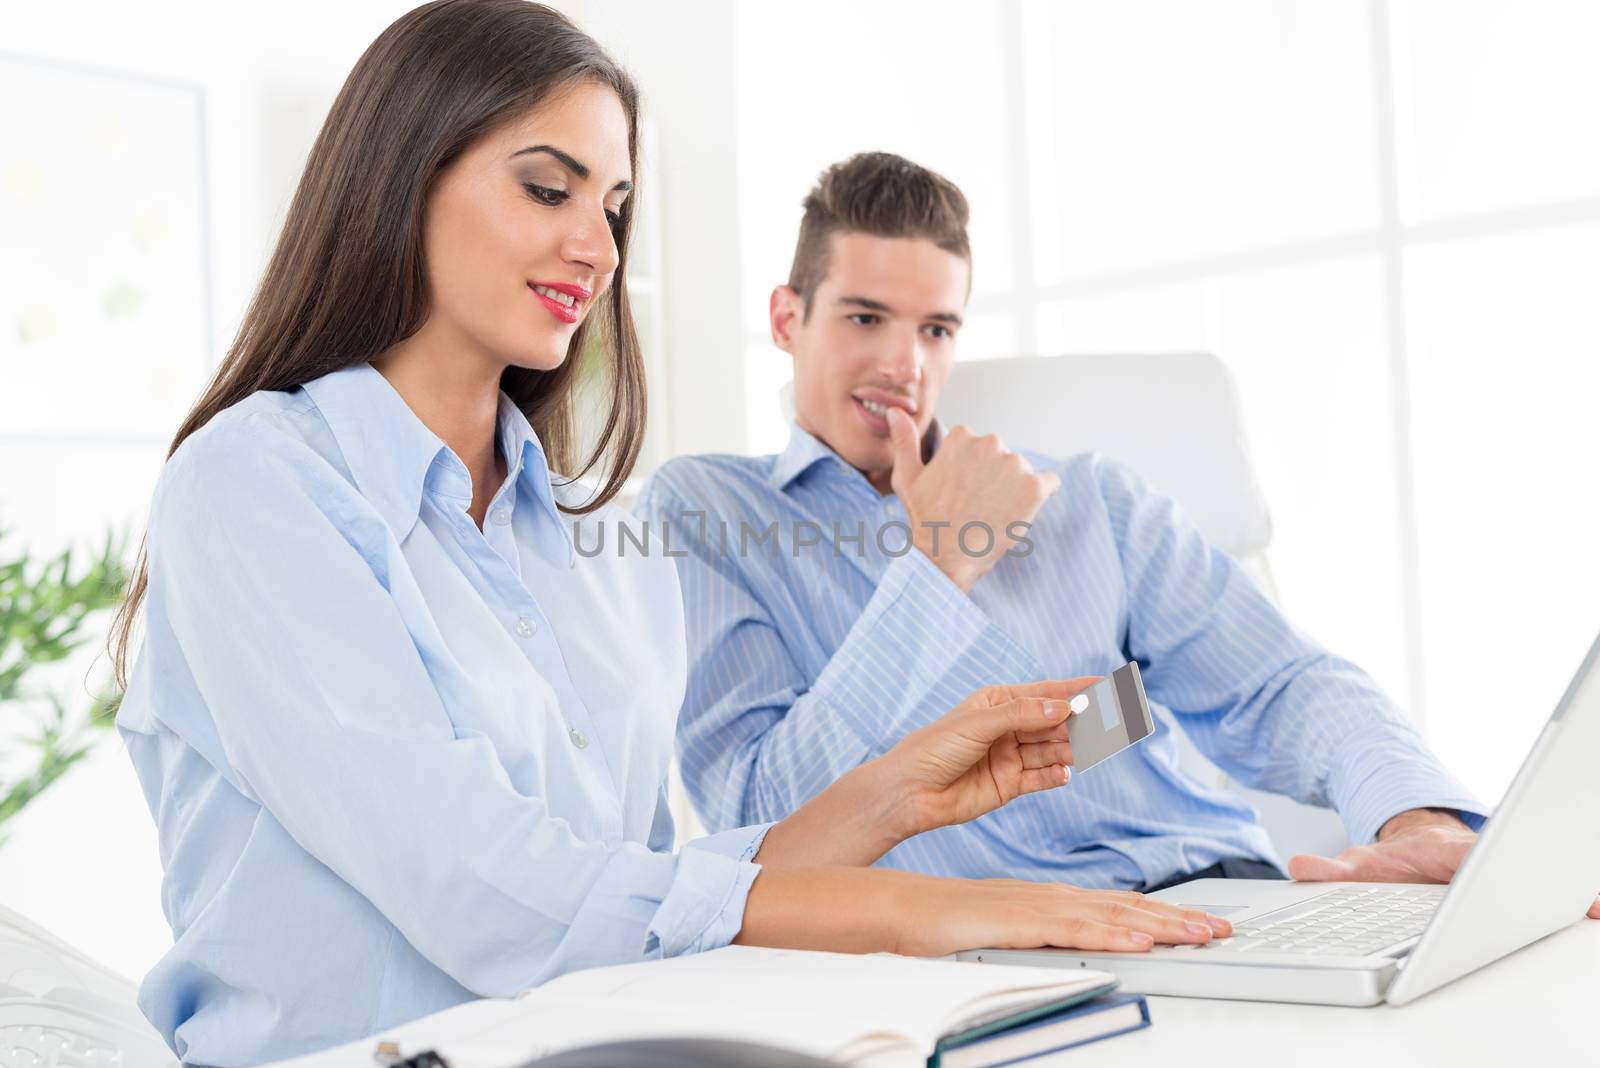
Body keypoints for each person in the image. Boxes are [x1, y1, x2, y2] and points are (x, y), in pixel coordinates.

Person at [107, 6, 1229, 1066]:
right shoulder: (258, 485)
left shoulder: (589, 535)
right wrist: (915, 902)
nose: (596, 247)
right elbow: (487, 892)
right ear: (402, 176)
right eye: (549, 188)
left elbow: (636, 888)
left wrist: (898, 801)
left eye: (613, 208)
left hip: (621, 1035)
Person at [640, 151, 1520, 897]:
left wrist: (1416, 817)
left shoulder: (1088, 500)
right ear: (787, 320)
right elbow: (758, 822)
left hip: (1223, 899)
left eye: (937, 328)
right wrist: (937, 569)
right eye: (866, 317)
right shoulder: (712, 509)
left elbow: (1277, 685)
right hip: (996, 954)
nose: (906, 365)